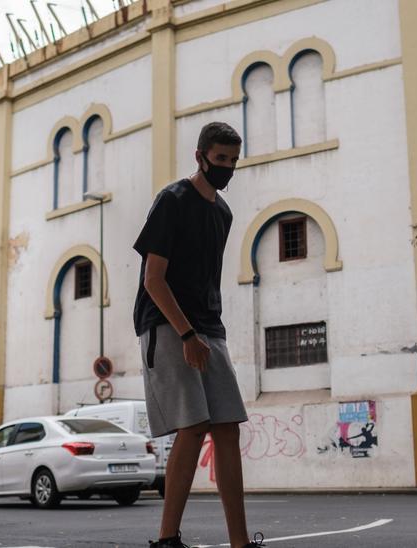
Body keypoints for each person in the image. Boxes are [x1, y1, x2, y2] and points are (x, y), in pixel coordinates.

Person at [133, 122, 263, 548]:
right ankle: (167, 538)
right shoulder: (172, 201)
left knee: (228, 428)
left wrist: (206, 332)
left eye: (232, 161)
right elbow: (154, 279)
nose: (225, 167)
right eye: (219, 159)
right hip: (167, 323)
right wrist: (187, 333)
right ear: (200, 156)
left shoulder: (223, 213)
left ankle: (241, 542)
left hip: (209, 327)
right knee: (193, 425)